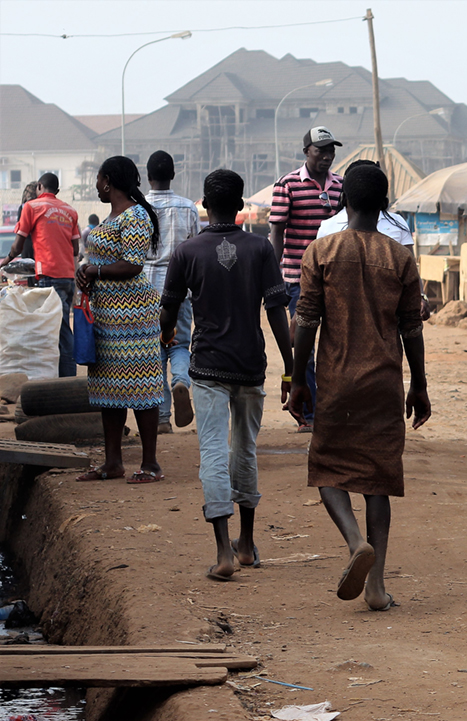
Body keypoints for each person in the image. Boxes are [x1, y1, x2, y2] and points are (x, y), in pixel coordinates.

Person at [290, 163, 429, 611]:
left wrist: (296, 381)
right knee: (378, 480)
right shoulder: (401, 258)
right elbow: (412, 329)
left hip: (335, 380)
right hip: (384, 381)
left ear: (342, 201)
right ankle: (376, 587)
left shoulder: (321, 252)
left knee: (327, 468)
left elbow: (305, 321)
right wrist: (420, 386)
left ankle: (354, 542)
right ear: (385, 205)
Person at [160, 169, 293, 582]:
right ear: (239, 206)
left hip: (207, 365)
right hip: (250, 364)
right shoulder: (260, 249)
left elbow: (168, 309)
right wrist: (291, 367)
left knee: (214, 453)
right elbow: (275, 311)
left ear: (204, 203)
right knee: (245, 449)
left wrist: (165, 341)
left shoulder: (188, 251)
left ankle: (223, 554)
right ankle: (248, 544)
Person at [74, 156, 165, 484]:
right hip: (105, 314)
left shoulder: (135, 215)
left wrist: (93, 270)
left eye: (97, 180)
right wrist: (85, 272)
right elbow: (97, 259)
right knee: (108, 389)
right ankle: (113, 462)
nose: (95, 186)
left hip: (133, 317)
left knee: (141, 386)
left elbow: (133, 264)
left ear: (108, 180)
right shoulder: (113, 216)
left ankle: (151, 464)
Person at [270, 126, 343, 433]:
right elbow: (277, 232)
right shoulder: (287, 185)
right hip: (298, 281)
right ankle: (310, 414)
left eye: (331, 151)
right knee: (305, 346)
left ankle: (332, 411)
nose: (326, 157)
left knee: (337, 344)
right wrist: (273, 278)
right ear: (306, 153)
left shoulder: (341, 186)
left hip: (335, 279)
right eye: (320, 151)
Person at [316, 159, 431, 320]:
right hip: (342, 313)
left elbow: (410, 268)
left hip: (390, 310)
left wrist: (420, 297)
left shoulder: (397, 222)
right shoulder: (329, 227)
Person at [144, 151, 201, 434]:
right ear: (173, 175)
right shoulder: (188, 208)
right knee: (178, 345)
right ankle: (181, 380)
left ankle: (162, 418)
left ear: (148, 176)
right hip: (181, 291)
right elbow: (196, 250)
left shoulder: (137, 209)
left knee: (153, 351)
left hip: (145, 292)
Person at [7, 173, 80, 377]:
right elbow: (75, 249)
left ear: (40, 186)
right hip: (67, 277)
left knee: (57, 332)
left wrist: (7, 260)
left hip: (47, 275)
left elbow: (18, 244)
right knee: (61, 326)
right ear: (56, 190)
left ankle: (63, 382)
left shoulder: (31, 207)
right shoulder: (70, 210)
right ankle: (63, 378)